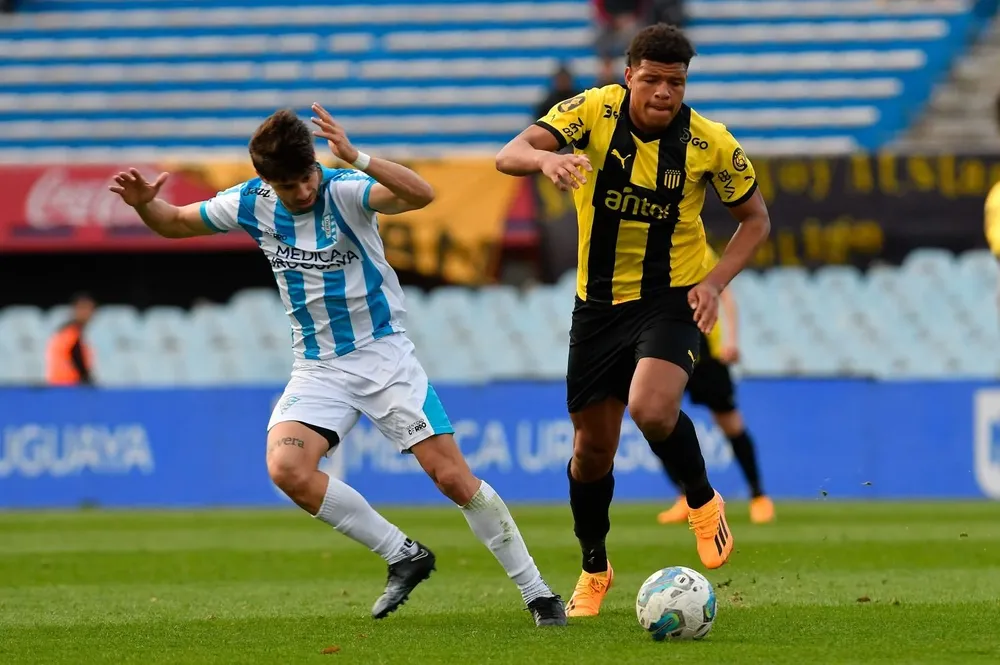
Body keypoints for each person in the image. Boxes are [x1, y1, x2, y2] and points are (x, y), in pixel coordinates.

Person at [108, 104, 567, 627]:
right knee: (287, 468)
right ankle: (403, 555)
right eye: (288, 186)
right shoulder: (251, 203)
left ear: (314, 165)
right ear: (267, 181)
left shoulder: (344, 189)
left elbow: (421, 195)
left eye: (307, 177)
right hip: (317, 367)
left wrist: (358, 157)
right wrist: (146, 205)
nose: (303, 191)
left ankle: (538, 593)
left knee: (451, 478)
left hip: (383, 357)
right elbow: (173, 222)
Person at [495, 23, 771, 617]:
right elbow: (508, 154)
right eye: (651, 80)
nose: (664, 92)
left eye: (676, 82)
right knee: (591, 452)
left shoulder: (710, 143)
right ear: (628, 77)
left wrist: (714, 284)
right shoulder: (593, 111)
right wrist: (545, 161)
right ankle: (594, 568)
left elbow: (756, 220)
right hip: (597, 307)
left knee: (651, 408)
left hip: (671, 297)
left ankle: (703, 501)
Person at [656, 247, 775, 526]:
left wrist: (732, 340)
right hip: (665, 348)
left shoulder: (695, 245)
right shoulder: (646, 246)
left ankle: (758, 496)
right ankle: (684, 497)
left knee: (730, 423)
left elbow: (725, 293)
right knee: (656, 420)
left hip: (706, 351)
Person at [45, 293, 96, 386]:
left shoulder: (68, 330)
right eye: (83, 308)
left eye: (90, 309)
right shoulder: (71, 333)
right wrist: (89, 382)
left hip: (59, 385)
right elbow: (78, 360)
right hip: (68, 386)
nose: (86, 313)